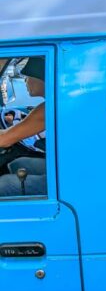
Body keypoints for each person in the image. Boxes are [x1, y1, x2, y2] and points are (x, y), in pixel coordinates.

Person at [0, 57, 47, 197]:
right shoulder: (48, 105)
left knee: (5, 184)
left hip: (69, 179)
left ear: (42, 78)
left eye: (28, 76)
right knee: (18, 164)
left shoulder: (47, 109)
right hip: (70, 167)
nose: (25, 81)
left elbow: (4, 140)